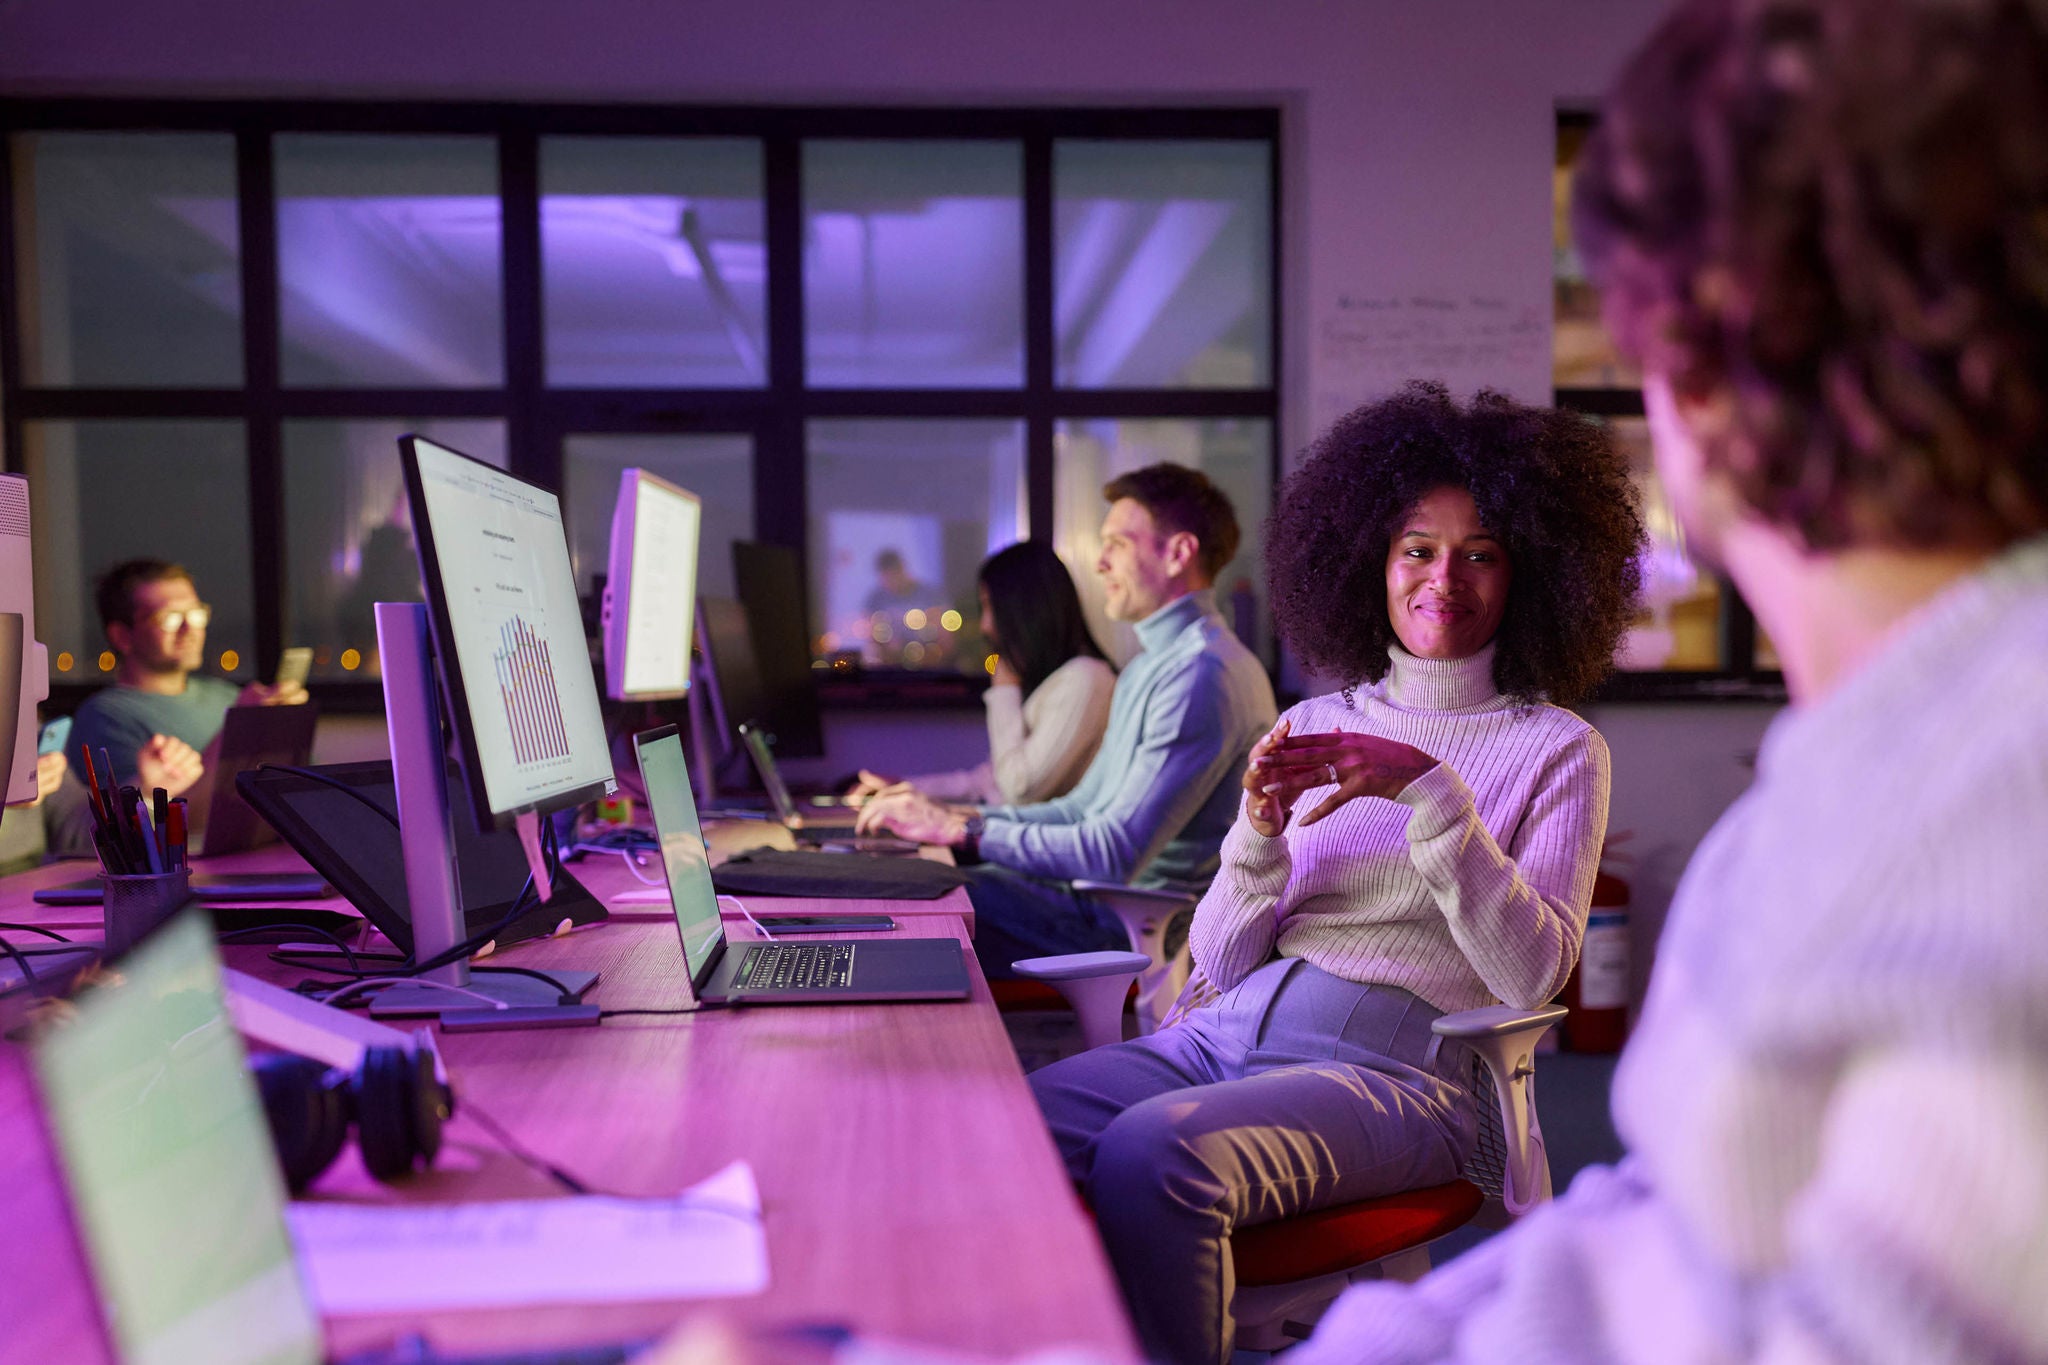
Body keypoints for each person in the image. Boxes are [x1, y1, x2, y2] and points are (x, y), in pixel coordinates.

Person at [1290, 2, 2048, 1361]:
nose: (1441, 583)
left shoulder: (1985, 818)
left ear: (1688, 374)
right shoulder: (1870, 759)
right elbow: (1671, 1227)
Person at [1027, 384, 1643, 1365]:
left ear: (1529, 573)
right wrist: (1258, 839)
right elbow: (1226, 954)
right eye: (1416, 549)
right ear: (1370, 562)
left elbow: (1531, 977)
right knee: (1008, 1129)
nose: (1444, 577)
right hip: (1230, 1024)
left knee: (1155, 1152)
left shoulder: (1555, 748)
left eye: (1479, 552)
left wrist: (1434, 800)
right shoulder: (1308, 723)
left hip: (1403, 1068)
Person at [857, 464, 1276, 974]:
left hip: (1133, 922)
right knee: (904, 877)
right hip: (1098, 900)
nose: (1099, 563)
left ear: (1177, 553)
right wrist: (956, 820)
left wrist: (961, 830)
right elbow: (1081, 810)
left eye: (1116, 544)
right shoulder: (1155, 665)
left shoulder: (1202, 676)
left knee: (905, 902)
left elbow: (1111, 854)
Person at [847, 540, 1116, 807]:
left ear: (1023, 609)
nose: (985, 626)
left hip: (1018, 845)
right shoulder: (1054, 680)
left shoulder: (1085, 679)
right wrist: (904, 788)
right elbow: (988, 780)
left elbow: (1018, 789)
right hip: (999, 833)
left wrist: (1004, 691)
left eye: (989, 607)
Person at [68, 560, 304, 793]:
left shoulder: (226, 695)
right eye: (170, 618)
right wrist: (240, 728)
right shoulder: (106, 717)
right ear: (122, 636)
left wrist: (286, 728)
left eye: (196, 614)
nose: (190, 629)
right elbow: (154, 820)